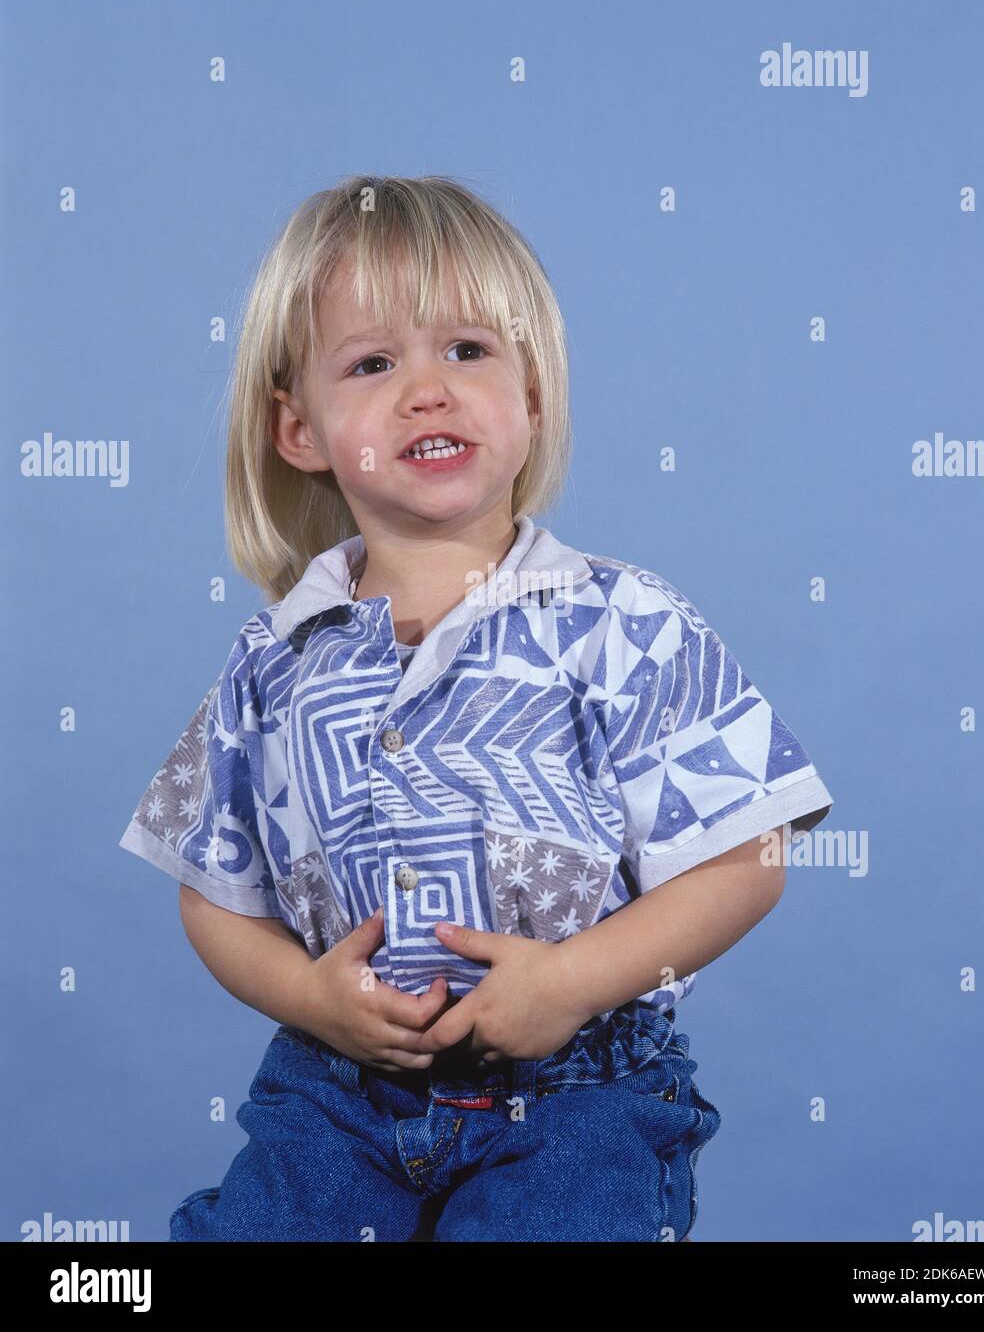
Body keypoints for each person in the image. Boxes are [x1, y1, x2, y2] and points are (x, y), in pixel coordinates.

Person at [118, 174, 834, 1242]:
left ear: (532, 394)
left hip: (575, 1095)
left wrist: (573, 981)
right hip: (334, 1099)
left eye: (468, 351)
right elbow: (213, 891)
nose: (427, 391)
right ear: (299, 429)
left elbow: (750, 854)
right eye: (371, 363)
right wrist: (307, 999)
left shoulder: (622, 622)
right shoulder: (273, 658)